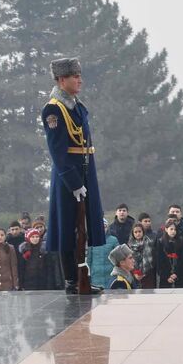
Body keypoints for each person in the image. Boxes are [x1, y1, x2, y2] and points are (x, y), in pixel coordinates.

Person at [42, 57, 105, 293]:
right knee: (68, 226)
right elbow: (57, 152)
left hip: (86, 169)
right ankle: (71, 279)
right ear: (61, 80)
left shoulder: (77, 106)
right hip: (68, 175)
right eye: (74, 76)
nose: (79, 79)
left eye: (79, 75)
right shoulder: (54, 109)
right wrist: (74, 182)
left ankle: (83, 276)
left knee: (85, 226)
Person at [155, 220, 183, 288]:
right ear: (166, 229)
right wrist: (167, 276)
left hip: (179, 275)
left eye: (175, 229)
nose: (173, 231)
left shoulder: (181, 242)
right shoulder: (161, 242)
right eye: (171, 229)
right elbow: (159, 262)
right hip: (165, 277)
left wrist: (176, 274)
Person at [126, 222, 156, 288]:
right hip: (134, 274)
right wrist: (135, 273)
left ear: (143, 232)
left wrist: (144, 272)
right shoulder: (129, 246)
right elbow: (128, 261)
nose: (138, 234)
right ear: (133, 233)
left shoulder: (149, 243)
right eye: (135, 232)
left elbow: (152, 259)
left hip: (148, 274)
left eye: (139, 231)